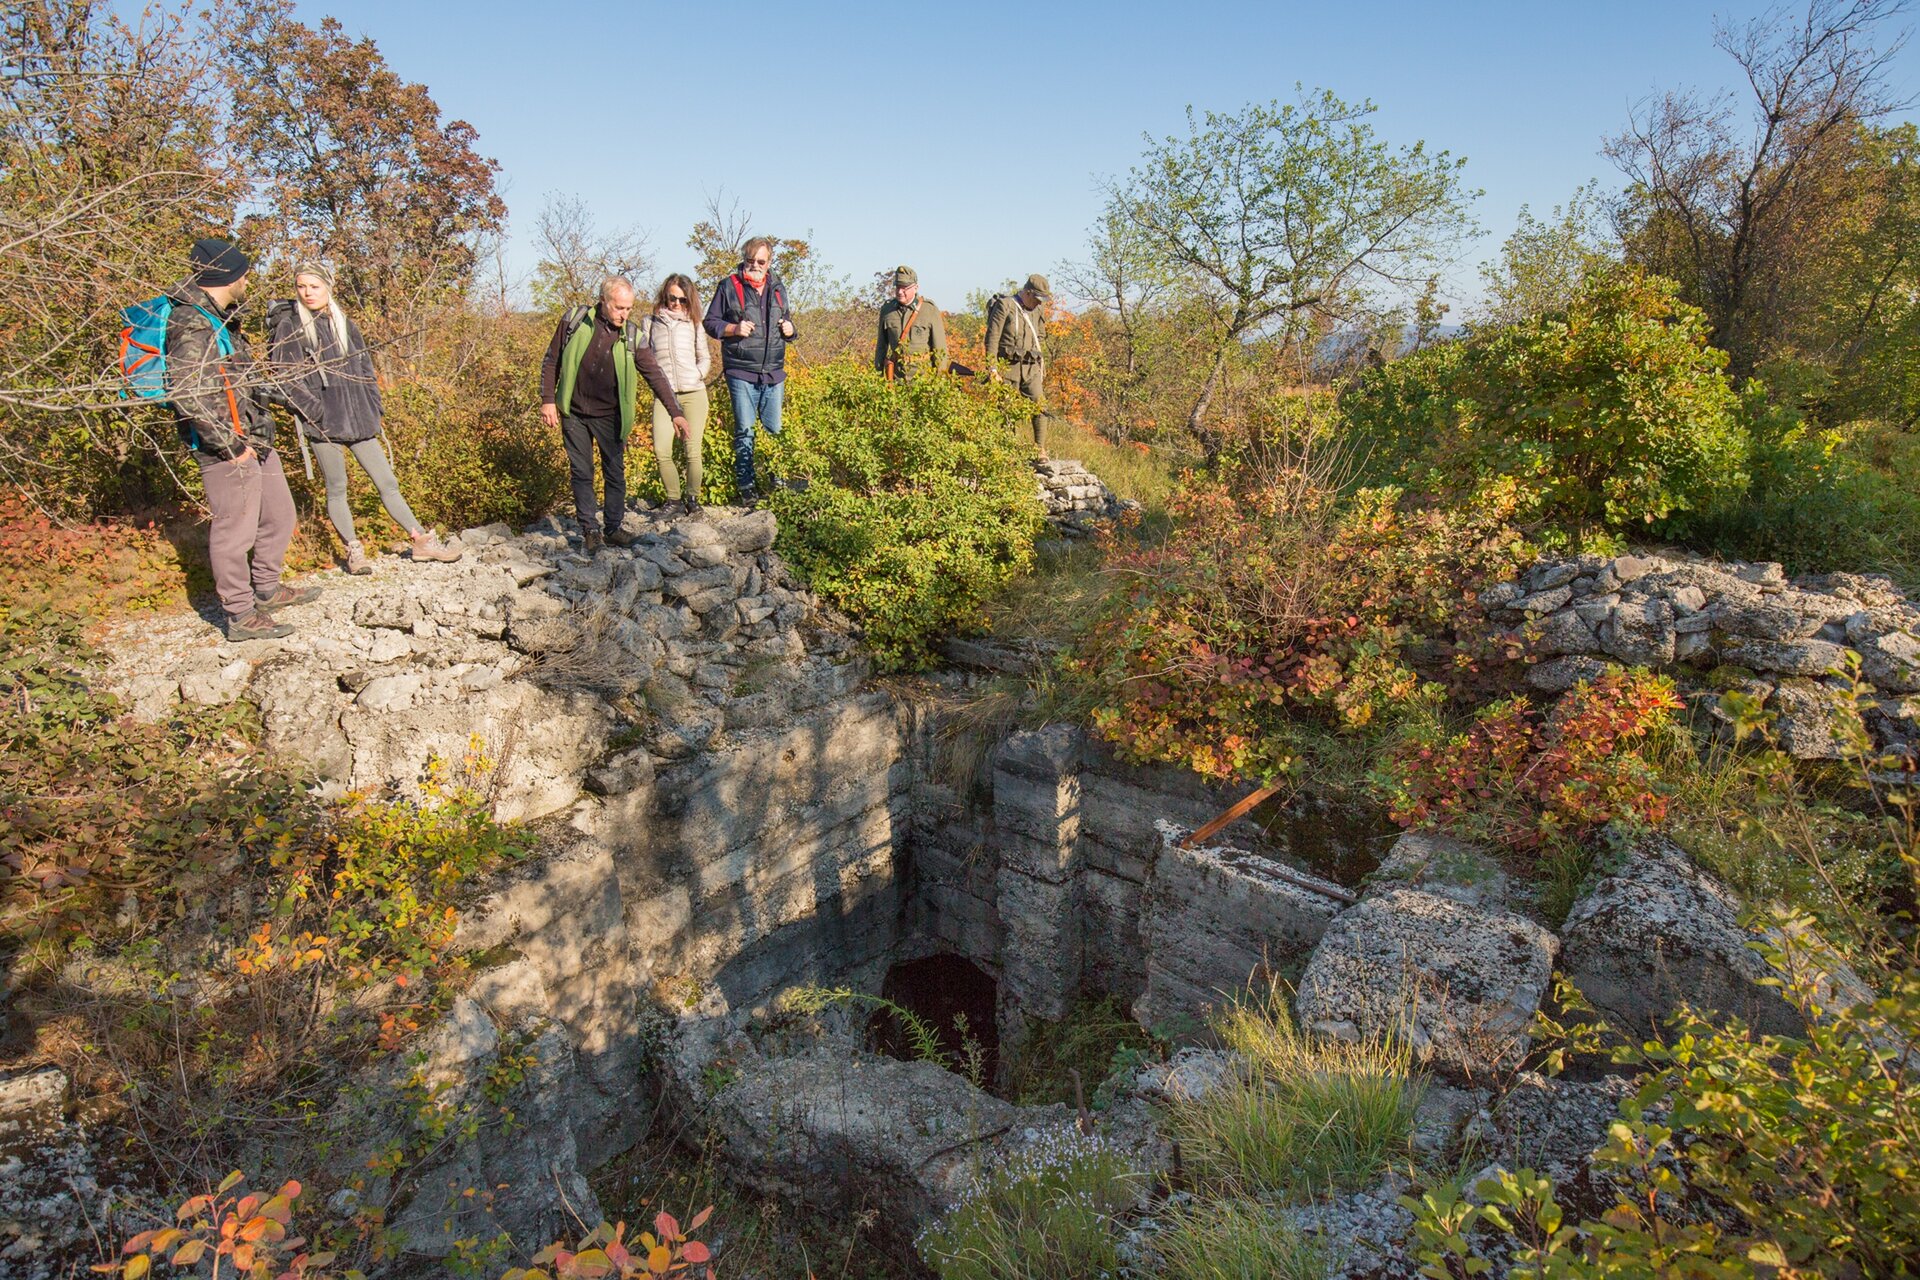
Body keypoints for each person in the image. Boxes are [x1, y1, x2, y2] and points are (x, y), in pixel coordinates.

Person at [166, 238, 318, 643]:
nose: (248, 279)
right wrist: (229, 445)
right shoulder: (192, 322)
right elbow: (186, 392)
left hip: (253, 436)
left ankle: (266, 588)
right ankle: (240, 614)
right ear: (226, 276)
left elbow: (238, 379)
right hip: (225, 447)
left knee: (281, 515)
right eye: (243, 273)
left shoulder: (222, 318)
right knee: (235, 532)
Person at [267, 262, 461, 573]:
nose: (307, 293)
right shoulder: (290, 327)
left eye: (314, 286)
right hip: (323, 425)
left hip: (360, 421)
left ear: (329, 287)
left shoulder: (345, 325)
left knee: (388, 482)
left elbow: (367, 372)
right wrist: (315, 412)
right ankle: (353, 551)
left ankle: (421, 540)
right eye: (302, 286)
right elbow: (286, 379)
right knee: (337, 487)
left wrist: (373, 407)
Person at [540, 276, 689, 553]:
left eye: (629, 308)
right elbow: (552, 360)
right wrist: (548, 400)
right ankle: (590, 531)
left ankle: (613, 528)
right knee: (582, 472)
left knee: (615, 473)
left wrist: (675, 413)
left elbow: (655, 375)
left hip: (611, 415)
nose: (625, 314)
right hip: (574, 412)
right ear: (603, 301)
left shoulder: (632, 336)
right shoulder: (575, 321)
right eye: (619, 308)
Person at [703, 238, 795, 502]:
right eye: (750, 260)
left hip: (774, 373)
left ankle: (776, 484)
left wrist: (791, 330)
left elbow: (786, 321)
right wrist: (733, 329)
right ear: (744, 259)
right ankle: (747, 488)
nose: (755, 266)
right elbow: (710, 323)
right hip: (741, 371)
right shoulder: (728, 287)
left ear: (769, 263)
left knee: (774, 430)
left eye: (761, 262)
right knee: (745, 431)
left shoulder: (778, 288)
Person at [642, 274, 712, 517]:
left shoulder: (694, 323)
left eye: (683, 300)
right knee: (662, 449)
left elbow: (705, 357)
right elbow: (646, 359)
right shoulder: (650, 322)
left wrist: (697, 374)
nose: (677, 304)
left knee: (692, 450)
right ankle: (673, 500)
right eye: (673, 298)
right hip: (665, 395)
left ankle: (693, 500)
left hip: (694, 393)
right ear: (665, 295)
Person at [984, 273, 1052, 452]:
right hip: (1008, 368)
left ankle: (1040, 450)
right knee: (1007, 410)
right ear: (1028, 292)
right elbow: (992, 338)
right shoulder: (1005, 306)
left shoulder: (1037, 310)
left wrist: (1039, 364)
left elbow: (1041, 336)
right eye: (1037, 298)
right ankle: (1009, 451)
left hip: (1031, 368)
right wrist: (992, 369)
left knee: (1040, 406)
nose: (1039, 303)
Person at [872, 265, 948, 382]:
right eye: (897, 287)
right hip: (896, 380)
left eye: (904, 288)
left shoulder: (930, 310)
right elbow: (881, 347)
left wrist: (939, 382)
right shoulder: (887, 311)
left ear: (916, 288)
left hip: (923, 380)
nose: (900, 291)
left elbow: (939, 349)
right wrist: (878, 375)